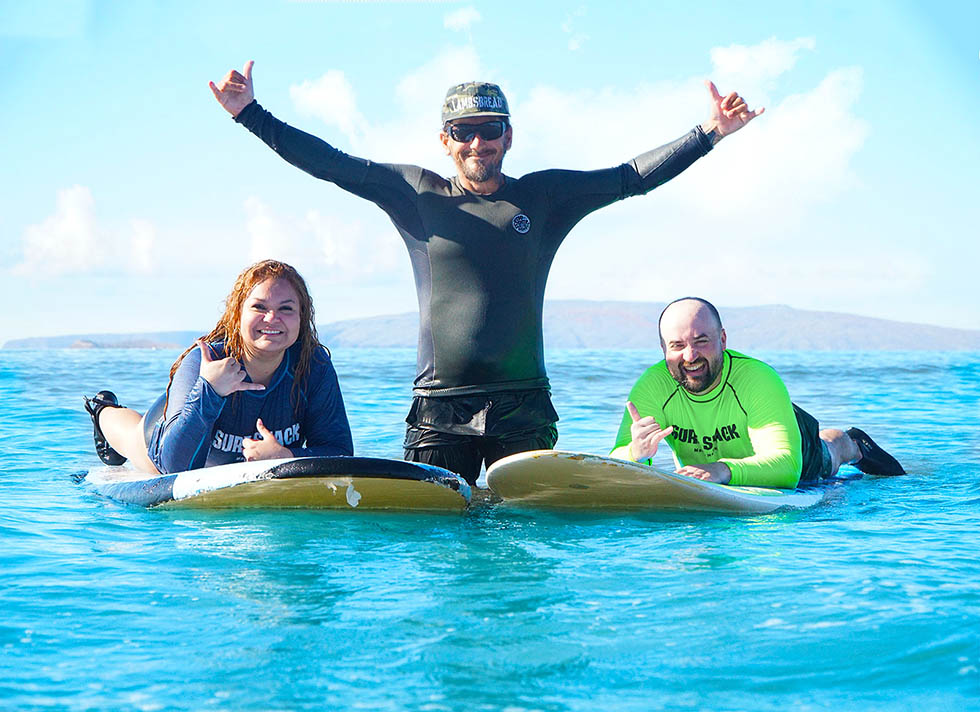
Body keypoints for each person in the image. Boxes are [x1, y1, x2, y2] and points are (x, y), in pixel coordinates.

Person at [209, 61, 763, 485]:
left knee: (522, 534)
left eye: (490, 129)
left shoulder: (544, 197)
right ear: (445, 139)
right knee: (434, 535)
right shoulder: (415, 192)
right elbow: (330, 163)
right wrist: (250, 114)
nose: (479, 143)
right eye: (465, 130)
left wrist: (709, 132)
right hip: (438, 408)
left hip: (523, 406)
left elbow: (629, 178)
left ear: (509, 135)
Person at [84, 260, 354, 474]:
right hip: (168, 440)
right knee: (131, 437)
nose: (272, 318)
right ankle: (102, 411)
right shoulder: (204, 361)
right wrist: (209, 391)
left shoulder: (313, 364)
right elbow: (174, 467)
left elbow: (341, 451)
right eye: (259, 307)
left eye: (286, 309)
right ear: (237, 315)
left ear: (301, 318)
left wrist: (286, 457)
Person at [611, 297, 905, 488]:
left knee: (827, 457)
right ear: (663, 349)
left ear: (723, 339)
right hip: (715, 472)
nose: (690, 356)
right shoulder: (651, 388)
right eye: (677, 346)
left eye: (701, 341)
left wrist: (722, 470)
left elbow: (788, 469)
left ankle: (850, 442)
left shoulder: (757, 379)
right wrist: (636, 454)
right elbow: (615, 462)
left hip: (791, 451)